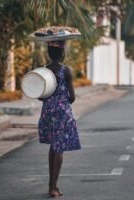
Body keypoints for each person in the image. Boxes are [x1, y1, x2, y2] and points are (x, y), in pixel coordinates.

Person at [38, 40, 81, 198]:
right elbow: (72, 97)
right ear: (62, 53)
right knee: (59, 148)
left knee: (53, 148)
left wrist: (51, 101)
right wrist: (62, 101)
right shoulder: (66, 71)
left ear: (49, 53)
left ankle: (52, 185)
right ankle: (53, 187)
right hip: (62, 113)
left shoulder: (44, 71)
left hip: (48, 113)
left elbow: (40, 97)